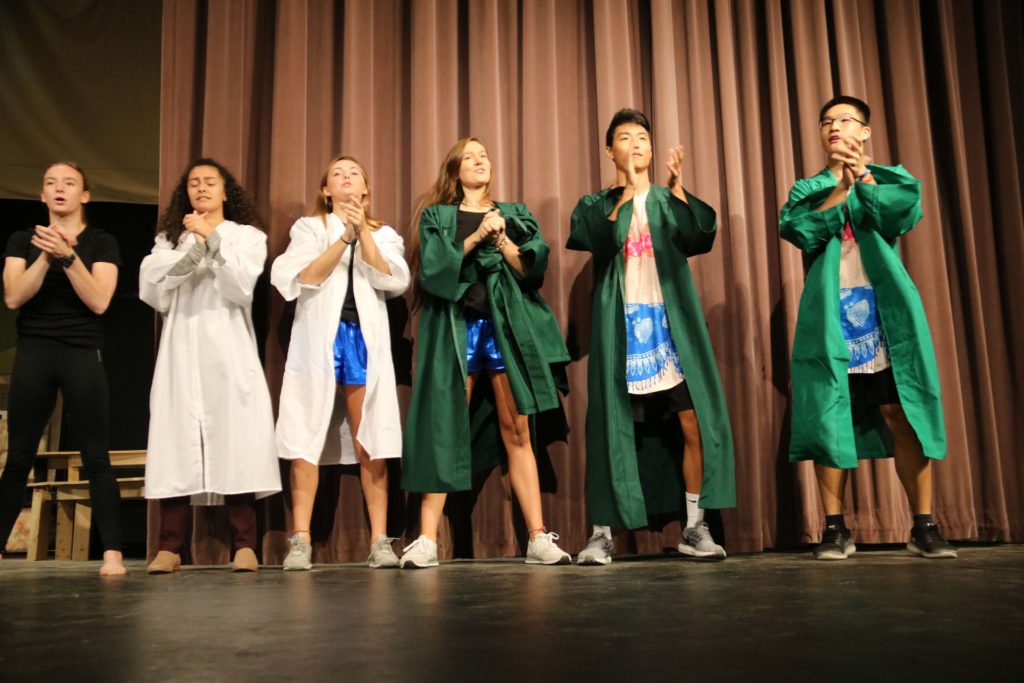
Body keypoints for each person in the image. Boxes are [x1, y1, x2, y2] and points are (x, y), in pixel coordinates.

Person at [780, 95, 956, 560]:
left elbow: (898, 215)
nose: (833, 127)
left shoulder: (890, 178)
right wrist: (839, 185)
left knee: (903, 414)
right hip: (830, 321)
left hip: (882, 319)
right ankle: (835, 528)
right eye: (826, 122)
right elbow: (802, 230)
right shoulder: (807, 189)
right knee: (829, 419)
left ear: (865, 132)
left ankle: (923, 525)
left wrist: (862, 177)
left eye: (844, 120)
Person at [567, 109, 736, 565]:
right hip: (623, 333)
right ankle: (601, 533)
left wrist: (677, 190)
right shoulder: (597, 203)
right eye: (624, 138)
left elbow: (699, 236)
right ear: (610, 150)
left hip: (669, 330)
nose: (636, 144)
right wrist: (624, 192)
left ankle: (695, 526)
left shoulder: (667, 199)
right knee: (612, 428)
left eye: (642, 137)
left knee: (692, 422)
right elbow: (593, 238)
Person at [400, 137, 572, 569]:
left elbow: (531, 271)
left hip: (502, 329)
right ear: (455, 170)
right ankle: (425, 540)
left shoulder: (513, 213)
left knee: (518, 431)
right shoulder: (439, 216)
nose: (479, 161)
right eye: (469, 157)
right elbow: (436, 274)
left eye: (484, 155)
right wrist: (476, 236)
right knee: (443, 428)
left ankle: (537, 537)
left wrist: (503, 242)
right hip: (455, 331)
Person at [140, 158, 281, 573]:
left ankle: (245, 544)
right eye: (194, 183)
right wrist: (192, 249)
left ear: (225, 192)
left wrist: (214, 239)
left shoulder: (247, 235)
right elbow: (154, 286)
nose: (201, 189)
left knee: (234, 438)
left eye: (210, 182)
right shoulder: (170, 239)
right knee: (176, 440)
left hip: (227, 346)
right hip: (182, 345)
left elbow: (241, 286)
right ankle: (170, 547)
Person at [272, 155, 410, 569]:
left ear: (365, 190)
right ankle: (300, 540)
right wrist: (342, 239)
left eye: (354, 174)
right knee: (305, 435)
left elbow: (393, 279)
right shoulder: (309, 228)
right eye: (337, 174)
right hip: (318, 340)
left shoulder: (384, 234)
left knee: (371, 439)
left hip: (362, 340)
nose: (346, 178)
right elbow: (299, 278)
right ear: (326, 191)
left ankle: (380, 539)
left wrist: (362, 233)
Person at [0, 162, 125, 575]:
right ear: (41, 195)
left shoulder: (102, 242)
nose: (59, 189)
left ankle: (112, 554)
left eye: (69, 183)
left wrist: (69, 256)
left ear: (84, 195)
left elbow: (100, 301)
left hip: (81, 351)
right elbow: (15, 297)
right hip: (35, 352)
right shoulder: (22, 239)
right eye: (50, 182)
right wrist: (45, 255)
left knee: (96, 456)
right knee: (18, 456)